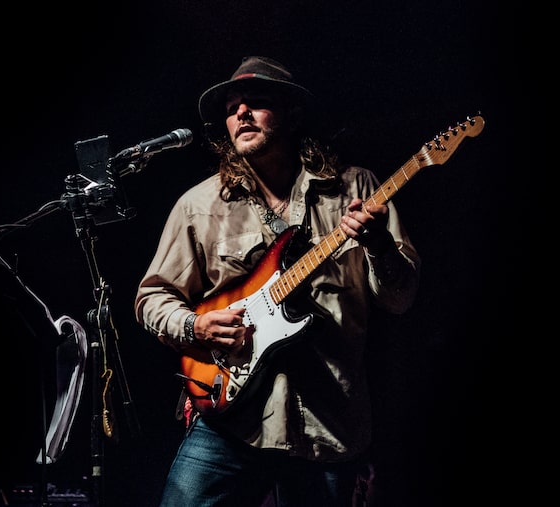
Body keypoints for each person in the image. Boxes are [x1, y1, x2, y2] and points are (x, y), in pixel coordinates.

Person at [133, 56, 421, 506]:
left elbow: (400, 299)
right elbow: (154, 297)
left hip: (327, 424)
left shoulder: (357, 189)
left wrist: (380, 246)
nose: (241, 113)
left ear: (292, 114)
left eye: (257, 102)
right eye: (232, 108)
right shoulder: (199, 205)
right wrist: (195, 326)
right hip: (230, 420)